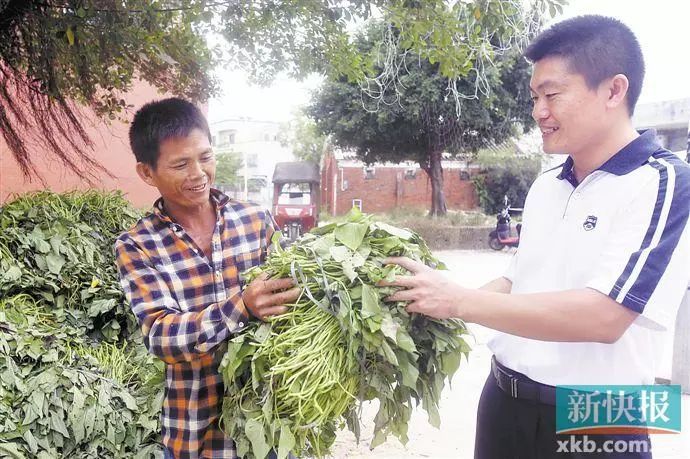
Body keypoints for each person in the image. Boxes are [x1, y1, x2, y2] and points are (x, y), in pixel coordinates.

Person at [384, 15, 690, 459]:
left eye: (552, 95)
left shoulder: (664, 183)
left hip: (598, 415)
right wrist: (430, 301)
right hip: (503, 397)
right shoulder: (548, 182)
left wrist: (457, 301)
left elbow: (606, 317)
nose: (538, 112)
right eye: (534, 97)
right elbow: (517, 281)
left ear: (613, 90)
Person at [115, 98, 299, 458]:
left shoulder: (256, 221)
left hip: (273, 427)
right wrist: (242, 307)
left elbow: (293, 304)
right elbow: (160, 336)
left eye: (205, 157)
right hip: (195, 436)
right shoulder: (137, 246)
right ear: (147, 173)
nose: (198, 173)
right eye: (180, 164)